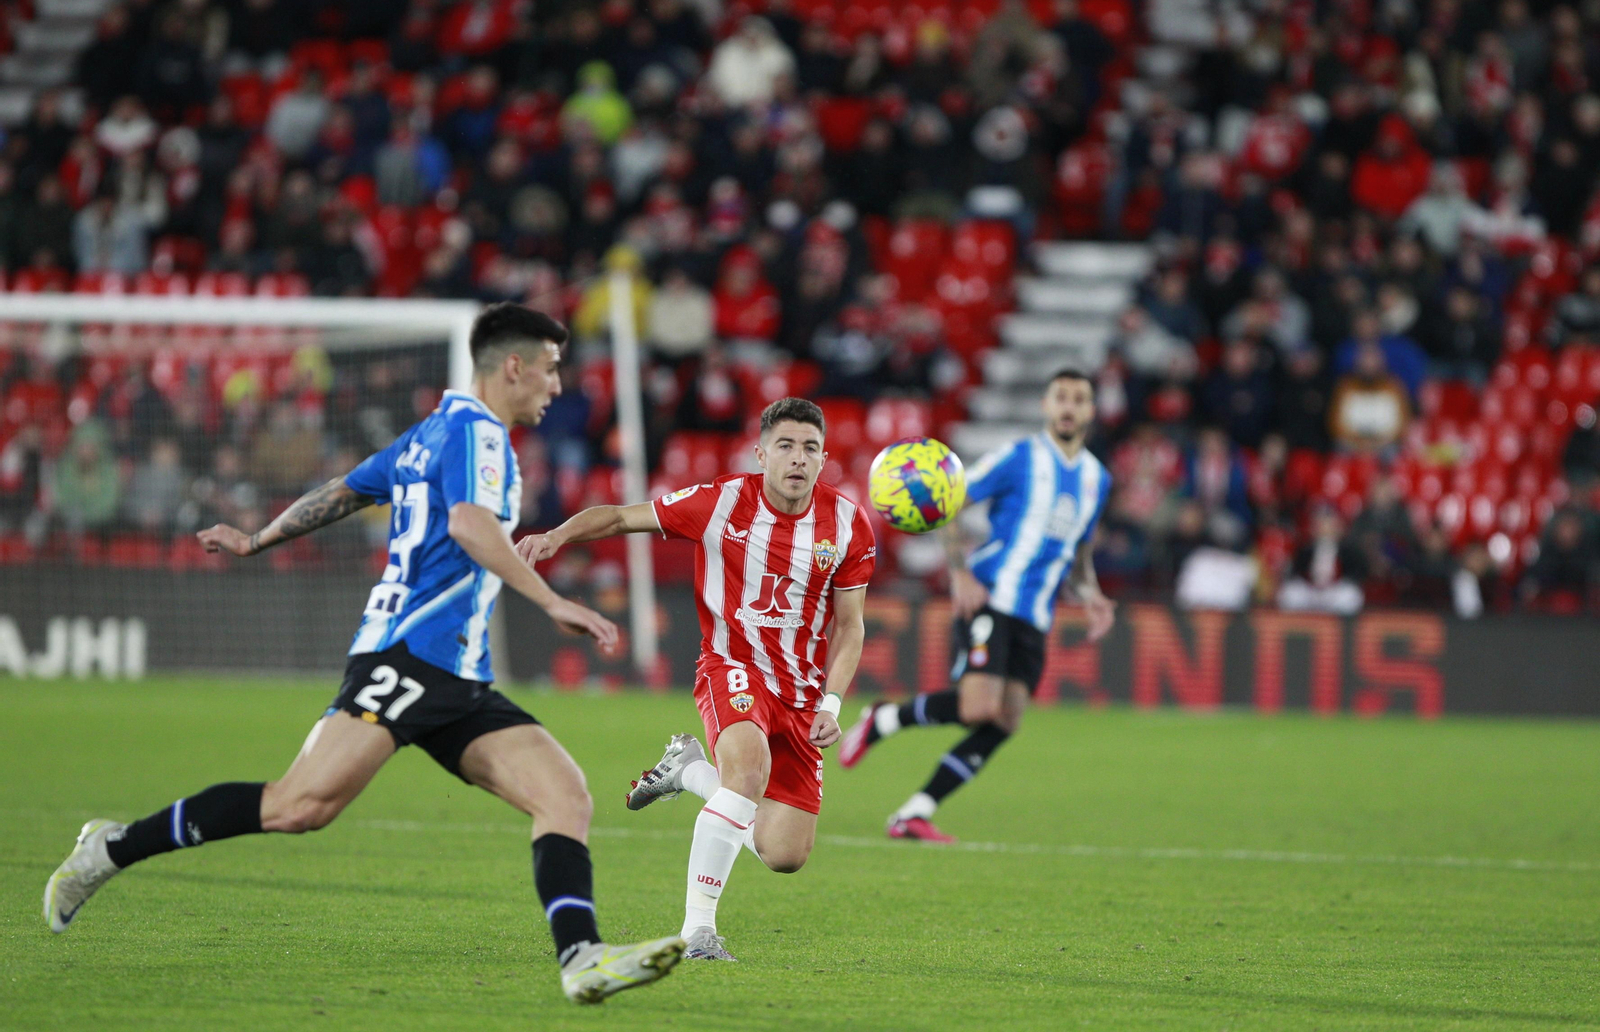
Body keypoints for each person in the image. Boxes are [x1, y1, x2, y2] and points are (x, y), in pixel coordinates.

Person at [42, 305, 684, 1005]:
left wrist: (260, 539)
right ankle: (111, 848)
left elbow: (344, 491)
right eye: (552, 370)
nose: (557, 387)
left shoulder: (428, 433)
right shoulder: (479, 435)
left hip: (456, 675)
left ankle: (582, 957)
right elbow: (470, 526)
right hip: (406, 658)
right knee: (299, 807)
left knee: (564, 794)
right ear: (514, 366)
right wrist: (552, 600)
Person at [514, 397, 875, 962]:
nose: (798, 458)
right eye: (785, 446)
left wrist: (830, 702)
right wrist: (556, 536)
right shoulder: (722, 502)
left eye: (809, 447)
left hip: (802, 695)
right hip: (731, 667)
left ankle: (687, 772)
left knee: (784, 853)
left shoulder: (848, 523)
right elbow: (618, 516)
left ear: (824, 456)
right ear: (761, 454)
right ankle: (697, 932)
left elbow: (851, 627)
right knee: (748, 769)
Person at [837, 369, 1116, 842]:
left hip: (1036, 615)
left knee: (1005, 720)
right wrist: (959, 572)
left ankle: (914, 812)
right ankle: (883, 719)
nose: (1069, 406)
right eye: (1061, 397)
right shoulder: (1020, 457)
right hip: (990, 595)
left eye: (1079, 399)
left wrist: (1091, 595)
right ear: (1047, 406)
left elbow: (1080, 550)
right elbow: (951, 499)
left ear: (1091, 410)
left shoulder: (1097, 479)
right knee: (978, 706)